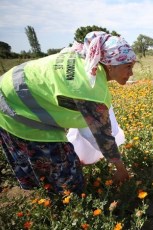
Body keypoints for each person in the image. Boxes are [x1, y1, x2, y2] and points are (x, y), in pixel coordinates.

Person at [0, 31, 136, 194]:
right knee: (68, 181)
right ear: (109, 65)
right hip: (15, 110)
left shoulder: (84, 61)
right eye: (128, 66)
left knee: (53, 168)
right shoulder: (89, 88)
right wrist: (120, 169)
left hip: (9, 90)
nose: (131, 73)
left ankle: (51, 197)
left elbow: (85, 125)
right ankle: (63, 207)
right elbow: (101, 136)